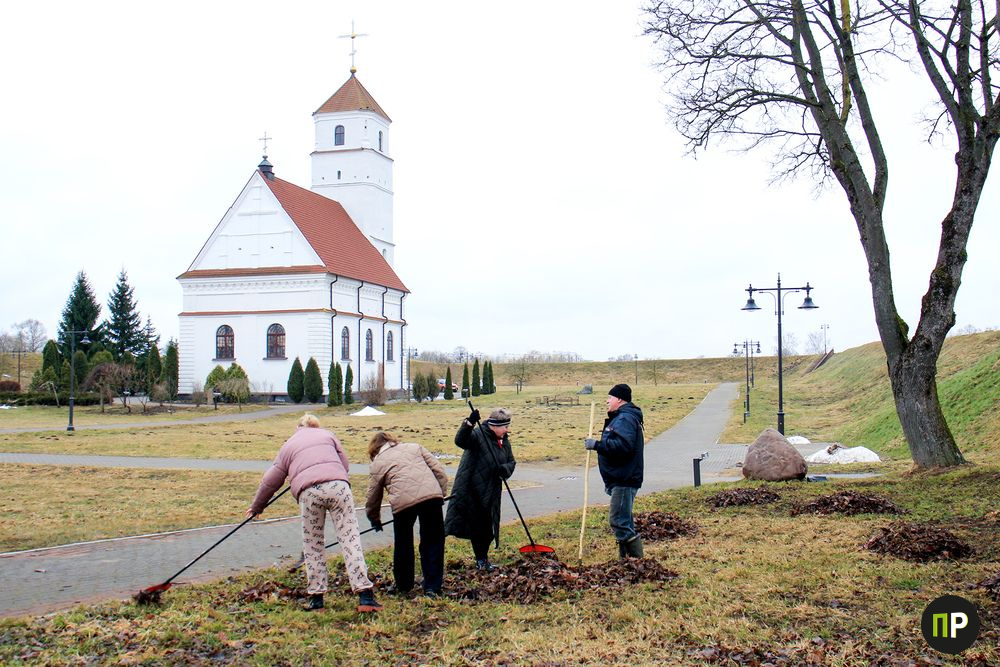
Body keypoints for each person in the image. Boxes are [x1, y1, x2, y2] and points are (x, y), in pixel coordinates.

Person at [246, 413, 382, 613]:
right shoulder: (328, 435)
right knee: (350, 539)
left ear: (298, 427)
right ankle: (365, 596)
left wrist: (257, 507)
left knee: (313, 544)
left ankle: (317, 599)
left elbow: (271, 480)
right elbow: (344, 464)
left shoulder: (289, 445)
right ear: (316, 426)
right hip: (339, 487)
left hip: (310, 493)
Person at [365, 431, 449, 596]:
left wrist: (374, 519)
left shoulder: (378, 463)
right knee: (433, 541)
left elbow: (372, 497)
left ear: (375, 450)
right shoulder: (415, 447)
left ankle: (404, 585)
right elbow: (439, 472)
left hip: (402, 504)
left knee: (403, 544)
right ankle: (432, 587)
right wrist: (441, 494)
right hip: (431, 497)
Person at [444, 406, 516, 570]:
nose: (507, 430)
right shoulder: (478, 435)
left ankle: (483, 559)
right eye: (505, 426)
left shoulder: (503, 441)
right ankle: (481, 561)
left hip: (492, 490)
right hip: (472, 490)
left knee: (488, 528)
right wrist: (469, 423)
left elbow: (511, 462)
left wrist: (503, 470)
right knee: (479, 528)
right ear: (495, 425)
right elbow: (460, 441)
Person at [584, 383, 645, 558]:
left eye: (609, 398)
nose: (607, 401)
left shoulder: (625, 419)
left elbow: (623, 447)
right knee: (623, 520)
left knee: (618, 520)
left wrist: (597, 445)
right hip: (621, 476)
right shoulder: (622, 417)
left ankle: (635, 562)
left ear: (619, 399)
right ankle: (627, 561)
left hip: (624, 478)